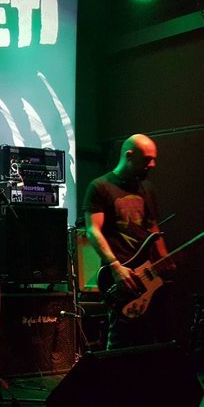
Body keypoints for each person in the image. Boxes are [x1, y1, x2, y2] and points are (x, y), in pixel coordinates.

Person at [83, 133, 176, 350]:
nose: (152, 165)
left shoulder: (147, 189)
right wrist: (115, 267)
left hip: (149, 274)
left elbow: (153, 228)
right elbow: (93, 230)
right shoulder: (100, 187)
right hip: (122, 274)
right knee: (120, 339)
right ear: (129, 156)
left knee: (153, 339)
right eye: (147, 159)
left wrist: (164, 258)